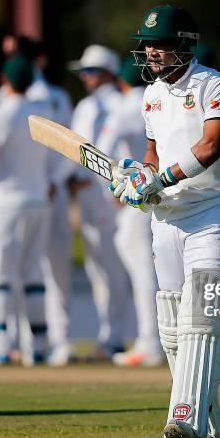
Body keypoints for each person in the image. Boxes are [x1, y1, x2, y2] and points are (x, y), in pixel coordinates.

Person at [110, 4, 220, 438]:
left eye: (159, 45)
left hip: (214, 211)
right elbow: (153, 153)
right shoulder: (149, 96)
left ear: (184, 46)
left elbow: (211, 145)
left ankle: (183, 416)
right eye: (146, 45)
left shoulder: (213, 84)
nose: (150, 53)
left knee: (201, 319)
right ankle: (213, 419)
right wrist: (142, 180)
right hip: (166, 217)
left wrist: (162, 177)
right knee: (171, 325)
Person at [0, 35, 76, 366]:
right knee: (22, 268)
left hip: (46, 191)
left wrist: (54, 180)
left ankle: (59, 338)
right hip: (35, 192)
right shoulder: (6, 95)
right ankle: (21, 340)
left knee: (53, 265)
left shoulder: (55, 97)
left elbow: (70, 145)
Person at [0, 56, 54, 366]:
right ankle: (39, 346)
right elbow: (55, 159)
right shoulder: (43, 111)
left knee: (0, 274)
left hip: (5, 202)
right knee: (33, 273)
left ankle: (2, 346)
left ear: (5, 80)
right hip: (38, 200)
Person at [97, 57, 163, 367]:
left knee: (141, 270)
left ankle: (150, 341)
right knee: (149, 267)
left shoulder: (124, 109)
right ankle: (155, 338)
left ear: (121, 82)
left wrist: (112, 187)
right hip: (159, 189)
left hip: (133, 197)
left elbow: (101, 149)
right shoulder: (157, 102)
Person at [69, 45, 129, 360]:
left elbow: (118, 153)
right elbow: (75, 151)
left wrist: (113, 186)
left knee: (116, 266)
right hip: (87, 195)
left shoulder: (121, 103)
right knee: (97, 268)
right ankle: (109, 332)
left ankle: (117, 335)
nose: (85, 77)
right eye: (83, 72)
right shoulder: (85, 107)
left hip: (112, 196)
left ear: (107, 73)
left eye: (90, 71)